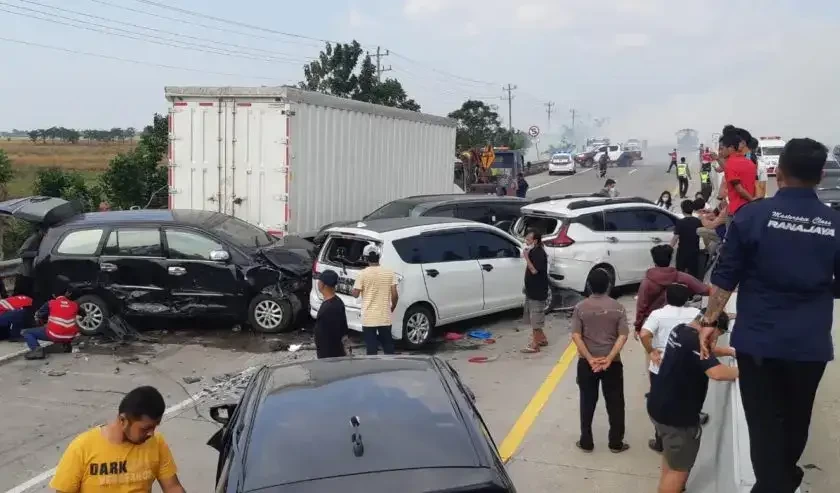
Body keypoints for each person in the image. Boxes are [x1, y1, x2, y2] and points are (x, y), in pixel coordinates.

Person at [700, 138, 837, 493]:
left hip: (759, 344)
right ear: (820, 175)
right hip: (808, 347)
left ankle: (775, 484)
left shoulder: (753, 216)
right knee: (794, 424)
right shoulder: (834, 224)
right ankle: (784, 479)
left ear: (780, 172)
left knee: (762, 427)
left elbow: (725, 278)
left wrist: (709, 322)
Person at [649, 310, 738, 493]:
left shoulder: (681, 330)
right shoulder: (694, 341)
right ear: (711, 328)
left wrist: (729, 351)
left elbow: (705, 352)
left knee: (671, 458)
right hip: (678, 417)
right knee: (678, 471)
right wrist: (748, 372)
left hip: (658, 406)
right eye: (716, 336)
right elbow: (717, 373)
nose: (714, 341)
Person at [50, 385, 185, 493]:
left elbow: (172, 487)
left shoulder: (156, 443)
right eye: (145, 428)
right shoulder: (82, 448)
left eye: (154, 427)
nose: (151, 433)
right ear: (123, 420)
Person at [570, 269, 630, 453]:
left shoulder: (580, 307)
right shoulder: (618, 307)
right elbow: (623, 336)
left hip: (587, 364)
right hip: (612, 364)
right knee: (615, 402)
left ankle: (586, 441)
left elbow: (576, 336)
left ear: (588, 285)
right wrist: (609, 358)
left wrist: (590, 359)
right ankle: (616, 442)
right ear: (609, 286)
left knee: (587, 402)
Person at [640, 283, 701, 452]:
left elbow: (644, 334)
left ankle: (661, 441)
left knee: (660, 401)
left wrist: (651, 351)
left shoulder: (658, 314)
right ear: (687, 298)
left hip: (661, 366)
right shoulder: (695, 314)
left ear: (667, 298)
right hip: (687, 366)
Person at [633, 244, 709, 336]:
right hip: (680, 323)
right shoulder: (683, 277)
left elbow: (641, 306)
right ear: (670, 258)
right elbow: (706, 290)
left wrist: (638, 327)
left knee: (656, 348)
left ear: (654, 260)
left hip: (654, 323)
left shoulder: (647, 282)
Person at [352, 244, 398, 355]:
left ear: (366, 258)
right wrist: (392, 307)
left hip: (368, 318)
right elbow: (395, 295)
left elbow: (355, 294)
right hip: (384, 316)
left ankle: (373, 368)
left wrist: (353, 289)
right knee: (388, 346)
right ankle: (391, 367)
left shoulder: (362, 274)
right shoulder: (389, 273)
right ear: (379, 256)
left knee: (371, 348)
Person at [22, 284, 84, 360]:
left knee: (26, 332)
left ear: (53, 295)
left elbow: (38, 315)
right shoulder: (75, 304)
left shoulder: (50, 303)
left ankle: (36, 350)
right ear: (67, 293)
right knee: (68, 326)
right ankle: (67, 346)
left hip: (54, 335)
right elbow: (84, 314)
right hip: (71, 336)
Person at [717, 130, 756, 219]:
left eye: (722, 148)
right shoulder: (750, 163)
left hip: (736, 210)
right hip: (749, 210)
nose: (719, 152)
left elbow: (739, 189)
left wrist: (752, 201)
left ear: (730, 148)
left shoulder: (730, 164)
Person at [522, 229, 549, 353]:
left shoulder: (538, 253)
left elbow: (534, 271)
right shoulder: (534, 251)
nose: (526, 242)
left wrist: (526, 257)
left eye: (528, 240)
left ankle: (535, 344)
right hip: (531, 290)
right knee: (533, 316)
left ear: (535, 240)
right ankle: (542, 339)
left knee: (535, 318)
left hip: (537, 292)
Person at [313, 270, 348, 359]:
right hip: (336, 352)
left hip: (329, 355)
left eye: (319, 281)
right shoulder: (338, 301)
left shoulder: (328, 308)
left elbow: (326, 335)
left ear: (323, 284)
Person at [671, 200, 702, 279]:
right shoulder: (698, 221)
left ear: (682, 210)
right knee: (693, 274)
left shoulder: (680, 222)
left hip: (682, 252)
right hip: (694, 251)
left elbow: (675, 237)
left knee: (680, 273)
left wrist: (669, 248)